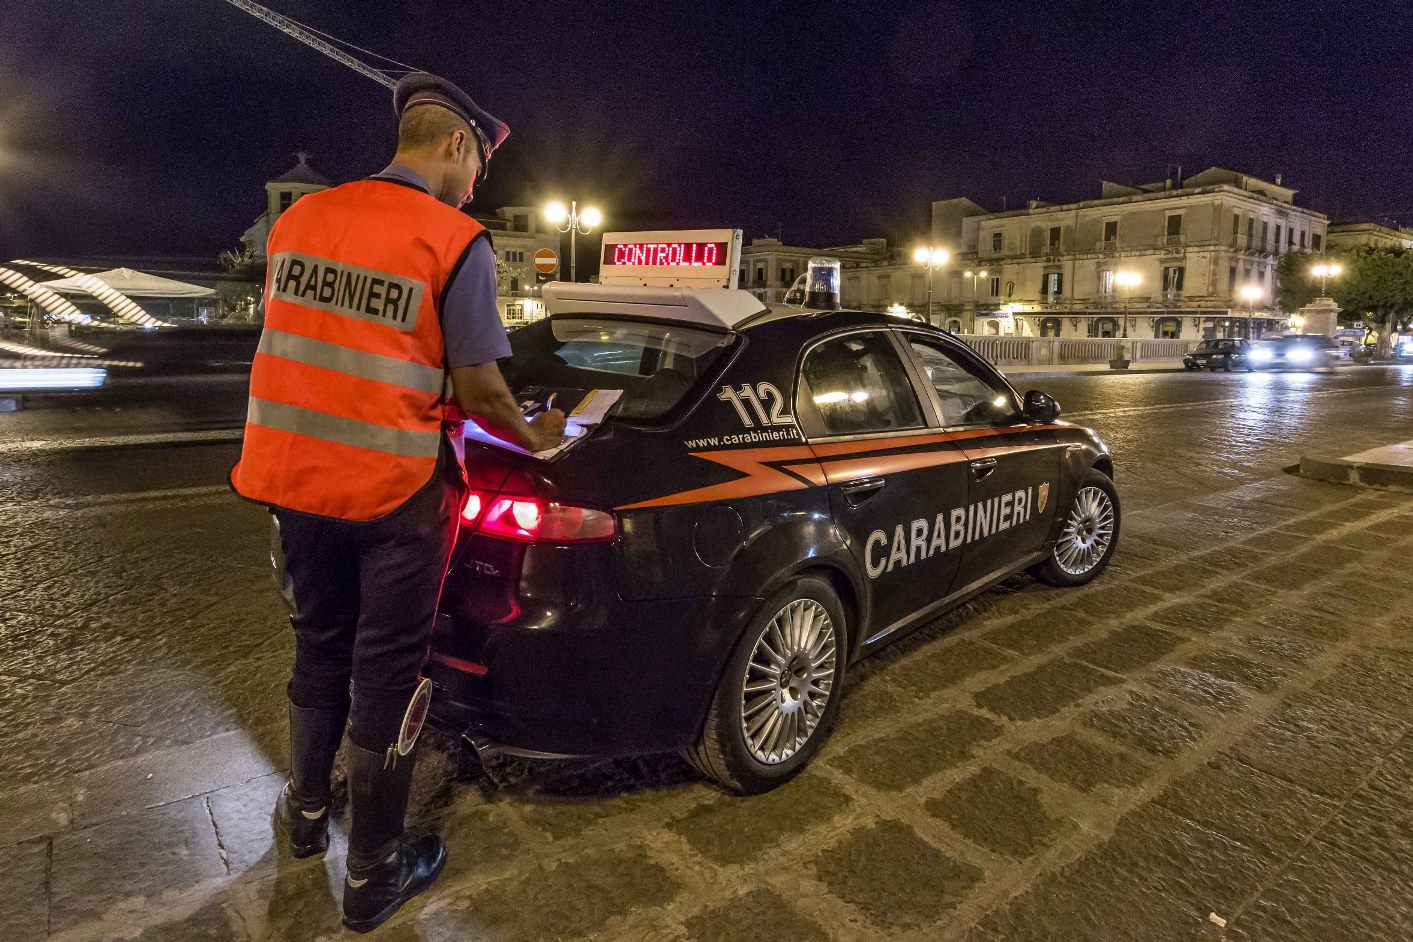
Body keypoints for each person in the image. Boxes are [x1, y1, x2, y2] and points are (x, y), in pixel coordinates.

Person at [230, 72, 565, 933]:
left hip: (293, 480)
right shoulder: (453, 240)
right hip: (393, 494)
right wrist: (542, 436)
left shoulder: (297, 222)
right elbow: (484, 389)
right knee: (388, 671)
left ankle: (305, 818)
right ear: (455, 145)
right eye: (477, 171)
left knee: (317, 644)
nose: (473, 188)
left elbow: (334, 345)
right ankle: (374, 872)